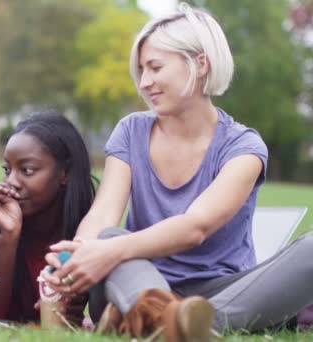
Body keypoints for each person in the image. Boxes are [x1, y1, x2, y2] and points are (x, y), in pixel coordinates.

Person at [43, 3, 313, 340]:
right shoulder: (131, 131)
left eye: (155, 67)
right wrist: (77, 255)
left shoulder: (244, 147)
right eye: (141, 70)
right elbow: (103, 214)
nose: (144, 82)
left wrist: (111, 250)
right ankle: (178, 323)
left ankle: (168, 325)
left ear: (200, 63)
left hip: (221, 292)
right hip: (135, 279)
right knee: (110, 238)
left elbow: (195, 227)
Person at [0, 112, 97, 323]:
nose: (11, 181)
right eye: (7, 169)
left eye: (27, 170)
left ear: (65, 174)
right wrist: (9, 236)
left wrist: (72, 312)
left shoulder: (88, 225)